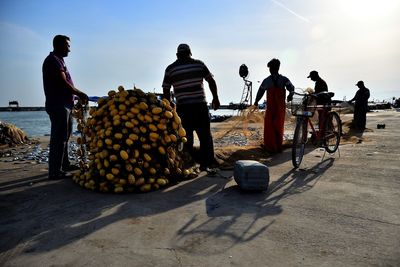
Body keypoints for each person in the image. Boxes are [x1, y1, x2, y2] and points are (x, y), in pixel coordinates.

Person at [162, 44, 220, 171]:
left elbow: (166, 89)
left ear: (177, 55)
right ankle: (207, 163)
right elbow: (211, 81)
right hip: (199, 106)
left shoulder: (171, 69)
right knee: (204, 136)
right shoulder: (199, 64)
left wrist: (170, 104)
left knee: (186, 137)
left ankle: (189, 163)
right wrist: (215, 98)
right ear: (190, 53)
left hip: (184, 108)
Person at [42, 35, 88, 180]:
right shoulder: (53, 61)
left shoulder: (59, 60)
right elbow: (63, 83)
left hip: (65, 104)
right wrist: (79, 93)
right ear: (59, 45)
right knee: (59, 138)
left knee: (65, 137)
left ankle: (65, 164)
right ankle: (55, 171)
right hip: (58, 105)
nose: (69, 49)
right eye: (67, 46)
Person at [253, 58, 294, 153]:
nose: (270, 69)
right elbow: (291, 88)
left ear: (273, 68)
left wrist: (256, 101)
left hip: (272, 107)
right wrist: (290, 94)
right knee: (278, 125)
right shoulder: (284, 79)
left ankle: (271, 146)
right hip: (279, 107)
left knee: (269, 125)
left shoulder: (267, 81)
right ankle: (276, 145)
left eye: (270, 68)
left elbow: (260, 91)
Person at [307, 70, 329, 137]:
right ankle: (322, 133)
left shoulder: (320, 82)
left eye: (311, 77)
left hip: (323, 103)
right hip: (320, 103)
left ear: (315, 76)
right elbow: (317, 93)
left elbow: (319, 94)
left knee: (323, 119)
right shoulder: (319, 82)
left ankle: (323, 135)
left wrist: (312, 96)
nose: (311, 79)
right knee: (321, 119)